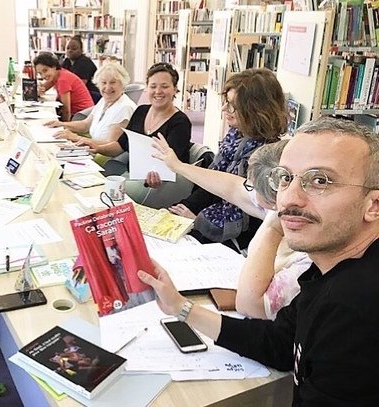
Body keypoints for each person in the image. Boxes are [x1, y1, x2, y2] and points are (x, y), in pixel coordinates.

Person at [140, 117, 379, 405]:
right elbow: (278, 343)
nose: (289, 199)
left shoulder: (355, 306)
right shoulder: (330, 268)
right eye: (285, 178)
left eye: (320, 181)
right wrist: (180, 307)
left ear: (373, 206)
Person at [153, 138, 311, 319]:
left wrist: (272, 226)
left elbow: (251, 306)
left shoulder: (304, 257)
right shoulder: (276, 206)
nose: (248, 189)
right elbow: (231, 186)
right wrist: (177, 166)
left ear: (272, 199)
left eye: (250, 184)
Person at [156, 68, 287, 249]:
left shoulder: (268, 160)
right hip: (209, 223)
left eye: (233, 105)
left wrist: (196, 222)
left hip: (233, 242)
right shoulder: (235, 137)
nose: (225, 109)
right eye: (226, 101)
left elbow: (251, 220)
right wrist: (181, 209)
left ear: (255, 109)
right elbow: (211, 183)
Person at [77, 62, 192, 205]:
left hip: (161, 184)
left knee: (104, 195)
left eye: (165, 86)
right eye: (153, 86)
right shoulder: (141, 111)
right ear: (147, 88)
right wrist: (95, 147)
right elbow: (120, 145)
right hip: (132, 175)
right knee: (94, 188)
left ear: (175, 89)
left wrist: (157, 178)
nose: (158, 91)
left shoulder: (180, 122)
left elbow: (173, 166)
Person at [45, 62, 135, 143]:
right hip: (92, 148)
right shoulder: (104, 100)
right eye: (104, 83)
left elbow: (110, 145)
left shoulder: (125, 107)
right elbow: (85, 125)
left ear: (122, 84)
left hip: (102, 156)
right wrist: (61, 124)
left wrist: (76, 138)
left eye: (112, 82)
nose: (107, 87)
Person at [33, 52, 94, 121]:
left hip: (83, 116)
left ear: (54, 66)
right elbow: (42, 88)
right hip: (81, 113)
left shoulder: (63, 80)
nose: (43, 76)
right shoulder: (57, 74)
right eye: (40, 73)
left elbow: (66, 110)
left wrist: (64, 127)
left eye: (45, 70)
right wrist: (39, 90)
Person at [61, 35, 100, 102]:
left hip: (91, 93)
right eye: (68, 48)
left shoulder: (84, 62)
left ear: (81, 50)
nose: (70, 51)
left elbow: (80, 85)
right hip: (75, 92)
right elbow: (58, 75)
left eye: (74, 49)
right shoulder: (67, 61)